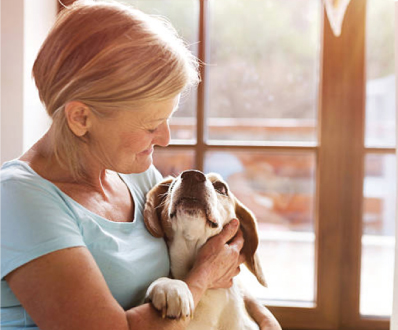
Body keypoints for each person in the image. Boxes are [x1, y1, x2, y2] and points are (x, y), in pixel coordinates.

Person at [0, 1, 281, 329]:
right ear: (81, 118)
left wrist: (263, 319)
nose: (164, 138)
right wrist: (201, 278)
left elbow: (213, 264)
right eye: (151, 125)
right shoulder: (18, 201)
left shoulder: (137, 177)